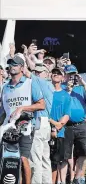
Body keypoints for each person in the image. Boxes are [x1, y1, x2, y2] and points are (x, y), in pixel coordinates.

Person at [0, 54, 45, 184]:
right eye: (10, 64)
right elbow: (3, 110)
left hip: (26, 126)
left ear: (22, 67)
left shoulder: (30, 83)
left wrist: (22, 108)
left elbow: (41, 105)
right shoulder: (5, 87)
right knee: (7, 159)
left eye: (15, 64)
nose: (12, 67)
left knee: (23, 159)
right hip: (9, 128)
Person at [62, 64, 86, 184]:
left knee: (84, 152)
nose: (72, 77)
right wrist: (69, 90)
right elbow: (63, 103)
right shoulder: (62, 88)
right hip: (67, 125)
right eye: (69, 75)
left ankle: (78, 177)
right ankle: (66, 179)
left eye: (73, 74)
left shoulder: (81, 88)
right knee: (66, 155)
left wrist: (84, 84)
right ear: (64, 76)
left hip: (81, 124)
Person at [49, 67, 71, 184]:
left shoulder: (66, 95)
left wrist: (56, 127)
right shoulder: (46, 91)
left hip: (59, 132)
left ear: (62, 77)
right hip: (43, 130)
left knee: (56, 160)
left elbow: (67, 115)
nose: (56, 75)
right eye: (54, 73)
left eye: (59, 73)